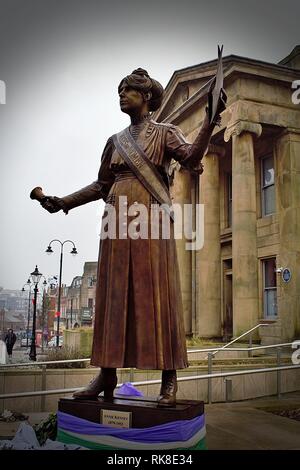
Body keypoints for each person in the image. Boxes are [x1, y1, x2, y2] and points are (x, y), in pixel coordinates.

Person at [39, 68, 226, 406]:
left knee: (159, 293)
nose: (122, 95)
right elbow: (101, 186)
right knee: (112, 297)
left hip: (151, 222)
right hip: (115, 224)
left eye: (129, 90)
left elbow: (192, 158)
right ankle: (106, 375)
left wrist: (210, 121)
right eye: (120, 90)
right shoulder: (114, 142)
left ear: (147, 97)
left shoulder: (166, 133)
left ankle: (169, 379)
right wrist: (63, 202)